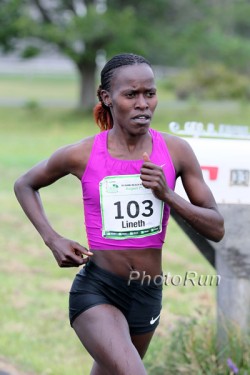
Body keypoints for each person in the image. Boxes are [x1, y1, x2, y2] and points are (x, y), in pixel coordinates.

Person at [14, 53, 225, 375]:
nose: (143, 104)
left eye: (149, 94)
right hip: (98, 289)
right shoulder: (82, 153)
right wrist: (52, 238)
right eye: (131, 95)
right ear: (106, 97)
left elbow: (217, 228)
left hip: (147, 290)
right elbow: (25, 184)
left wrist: (168, 195)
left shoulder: (176, 151)